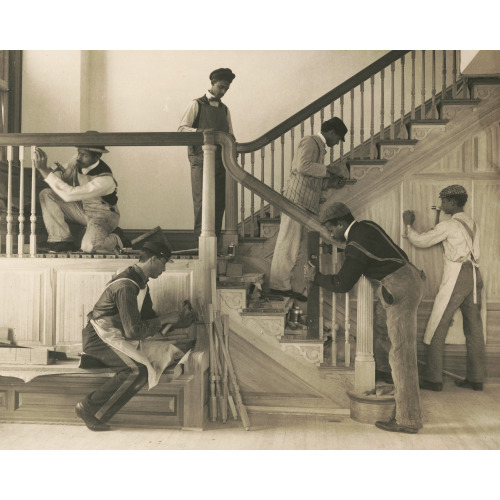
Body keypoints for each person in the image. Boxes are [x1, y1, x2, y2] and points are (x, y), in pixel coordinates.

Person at [304, 202, 425, 434]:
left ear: (341, 223)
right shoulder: (366, 226)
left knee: (402, 354)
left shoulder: (355, 245)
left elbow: (342, 283)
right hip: (412, 277)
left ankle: (408, 419)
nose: (330, 234)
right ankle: (385, 379)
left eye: (331, 229)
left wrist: (316, 276)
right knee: (382, 329)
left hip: (401, 288)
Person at [75, 241, 197, 431]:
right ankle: (88, 408)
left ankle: (92, 410)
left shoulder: (141, 284)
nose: (164, 269)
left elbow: (149, 320)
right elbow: (134, 331)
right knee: (136, 371)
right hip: (99, 339)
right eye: (163, 263)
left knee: (160, 358)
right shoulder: (126, 285)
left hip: (115, 337)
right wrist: (167, 318)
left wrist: (178, 322)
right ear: (153, 259)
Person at [403, 185, 485, 392]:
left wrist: (408, 226)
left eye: (444, 201)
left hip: (457, 276)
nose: (441, 204)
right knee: (474, 329)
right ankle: (476, 380)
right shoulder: (472, 223)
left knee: (437, 324)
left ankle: (433, 379)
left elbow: (420, 241)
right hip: (475, 277)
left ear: (453, 203)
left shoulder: (449, 225)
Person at [269, 117, 349, 301]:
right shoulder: (310, 141)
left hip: (305, 203)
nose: (337, 143)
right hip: (296, 201)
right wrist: (328, 171)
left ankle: (290, 287)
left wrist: (331, 182)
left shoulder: (319, 148)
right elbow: (301, 166)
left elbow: (311, 177)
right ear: (331, 133)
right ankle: (278, 286)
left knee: (299, 247)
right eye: (338, 138)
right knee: (288, 243)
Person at [33, 137, 127, 254]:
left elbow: (69, 195)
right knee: (46, 194)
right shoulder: (77, 161)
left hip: (104, 216)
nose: (79, 157)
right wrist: (50, 173)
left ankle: (117, 239)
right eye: (79, 153)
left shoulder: (105, 179)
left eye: (84, 155)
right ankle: (62, 241)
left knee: (89, 247)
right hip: (84, 210)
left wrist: (45, 171)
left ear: (97, 157)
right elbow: (62, 173)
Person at [178, 67, 236, 243]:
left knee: (219, 204)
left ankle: (215, 247)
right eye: (221, 87)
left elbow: (231, 136)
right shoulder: (196, 104)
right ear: (212, 84)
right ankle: (201, 247)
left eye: (226, 88)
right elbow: (181, 130)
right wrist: (203, 132)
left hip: (221, 161)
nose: (223, 91)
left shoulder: (225, 110)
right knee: (202, 203)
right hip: (200, 160)